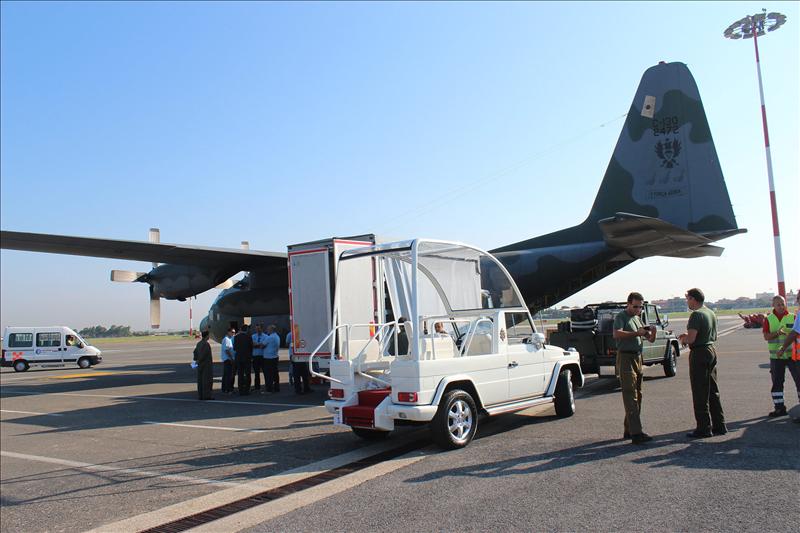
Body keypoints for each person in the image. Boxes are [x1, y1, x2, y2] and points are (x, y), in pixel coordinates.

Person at [679, 288, 726, 438]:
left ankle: (703, 427)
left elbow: (691, 339)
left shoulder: (696, 315)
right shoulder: (710, 313)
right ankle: (719, 424)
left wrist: (683, 338)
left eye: (687, 299)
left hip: (699, 353)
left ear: (693, 299)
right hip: (711, 349)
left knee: (700, 391)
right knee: (713, 390)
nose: (687, 302)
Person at [612, 292, 656, 444]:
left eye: (640, 307)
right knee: (630, 394)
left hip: (637, 357)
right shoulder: (621, 317)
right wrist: (637, 333)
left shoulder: (638, 318)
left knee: (638, 393)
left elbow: (649, 339)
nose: (638, 309)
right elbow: (616, 334)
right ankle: (636, 433)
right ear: (628, 304)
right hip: (625, 357)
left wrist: (652, 332)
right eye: (635, 306)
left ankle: (629, 429)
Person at [762, 295, 799, 417]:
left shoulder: (793, 317)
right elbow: (766, 337)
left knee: (799, 381)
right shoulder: (769, 319)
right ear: (773, 305)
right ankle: (779, 408)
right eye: (778, 304)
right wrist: (777, 333)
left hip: (793, 356)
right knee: (777, 382)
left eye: (783, 304)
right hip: (776, 357)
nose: (781, 306)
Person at [287, 330, 312, 394]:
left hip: (299, 356)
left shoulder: (294, 336)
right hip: (296, 357)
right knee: (298, 374)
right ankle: (299, 389)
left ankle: (305, 388)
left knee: (304, 374)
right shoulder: (292, 336)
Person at [192, 330, 214, 400]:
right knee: (207, 381)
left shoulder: (199, 344)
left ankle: (200, 395)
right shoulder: (206, 344)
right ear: (207, 336)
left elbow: (195, 352)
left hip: (200, 365)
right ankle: (206, 396)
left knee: (200, 380)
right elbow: (204, 355)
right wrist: (199, 360)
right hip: (206, 365)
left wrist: (196, 361)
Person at [233, 324, 253, 396]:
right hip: (247, 358)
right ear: (247, 329)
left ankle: (241, 389)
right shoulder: (249, 337)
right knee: (248, 374)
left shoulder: (236, 337)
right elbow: (251, 347)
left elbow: (234, 348)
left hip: (239, 358)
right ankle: (247, 390)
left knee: (240, 374)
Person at [263, 324, 281, 392]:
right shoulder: (277, 336)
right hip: (275, 357)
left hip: (268, 358)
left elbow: (262, 345)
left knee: (268, 375)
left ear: (271, 330)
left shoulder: (269, 337)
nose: (267, 330)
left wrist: (255, 344)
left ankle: (269, 389)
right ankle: (277, 387)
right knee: (275, 374)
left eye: (268, 329)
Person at [251, 324, 268, 393]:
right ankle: (257, 387)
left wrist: (256, 345)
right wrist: (259, 345)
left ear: (262, 329)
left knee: (265, 372)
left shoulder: (266, 336)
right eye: (256, 329)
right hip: (255, 357)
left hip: (263, 357)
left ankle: (267, 386)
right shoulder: (253, 336)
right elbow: (252, 344)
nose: (257, 330)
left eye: (259, 329)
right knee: (256, 373)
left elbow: (263, 346)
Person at [221, 328, 236, 394]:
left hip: (227, 359)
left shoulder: (228, 339)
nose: (233, 334)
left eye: (234, 332)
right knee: (228, 375)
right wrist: (232, 358)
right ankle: (228, 389)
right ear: (228, 332)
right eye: (232, 332)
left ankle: (225, 389)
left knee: (226, 375)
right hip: (228, 359)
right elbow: (227, 350)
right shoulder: (227, 339)